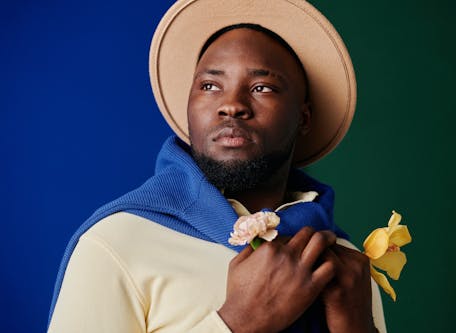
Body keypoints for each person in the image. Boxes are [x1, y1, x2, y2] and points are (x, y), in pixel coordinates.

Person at [48, 0, 387, 332]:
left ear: (304, 118)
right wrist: (237, 323)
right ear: (189, 108)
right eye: (210, 86)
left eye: (261, 87)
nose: (232, 105)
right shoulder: (117, 244)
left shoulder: (345, 266)